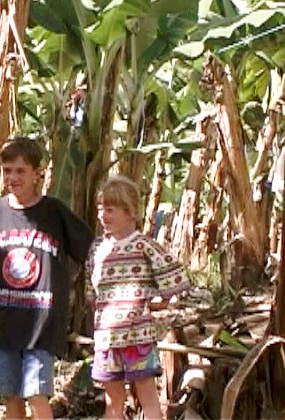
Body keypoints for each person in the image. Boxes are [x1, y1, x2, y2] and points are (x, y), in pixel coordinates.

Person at [0, 137, 94, 419]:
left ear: (38, 173)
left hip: (41, 323)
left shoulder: (54, 212)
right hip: (1, 322)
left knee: (37, 394)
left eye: (20, 171)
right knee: (11, 397)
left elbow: (90, 249)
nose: (12, 177)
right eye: (7, 171)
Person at [86, 175, 191, 420]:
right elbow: (91, 286)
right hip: (107, 337)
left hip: (137, 334)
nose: (103, 215)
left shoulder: (144, 246)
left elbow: (173, 272)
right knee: (113, 398)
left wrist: (161, 300)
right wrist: (95, 302)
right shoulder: (98, 248)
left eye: (110, 210)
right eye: (100, 209)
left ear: (130, 212)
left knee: (146, 394)